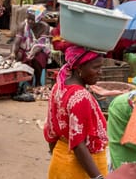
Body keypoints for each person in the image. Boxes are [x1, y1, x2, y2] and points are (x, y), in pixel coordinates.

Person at [44, 45, 108, 179]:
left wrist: (57, 155)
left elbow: (50, 128)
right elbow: (79, 144)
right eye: (96, 67)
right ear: (79, 68)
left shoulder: (59, 87)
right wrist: (97, 177)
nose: (100, 72)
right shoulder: (80, 96)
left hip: (60, 160)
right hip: (79, 168)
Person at [9, 5, 52, 87]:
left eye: (33, 19)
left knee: (38, 58)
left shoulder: (45, 27)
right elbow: (17, 42)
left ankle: (38, 82)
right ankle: (18, 83)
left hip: (39, 50)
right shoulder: (23, 25)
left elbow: (41, 44)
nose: (30, 21)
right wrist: (13, 53)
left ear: (39, 19)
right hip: (25, 48)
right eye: (28, 18)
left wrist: (33, 53)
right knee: (18, 55)